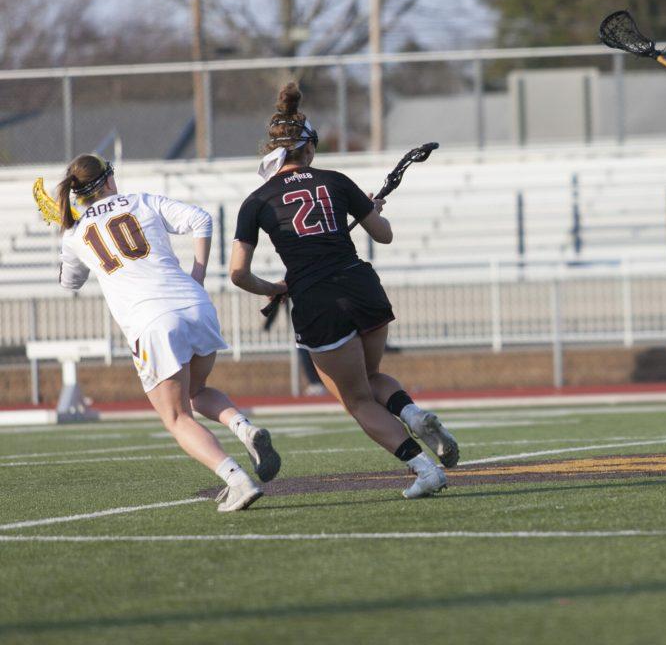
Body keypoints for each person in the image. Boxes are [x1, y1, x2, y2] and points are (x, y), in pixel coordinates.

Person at [229, 82, 457, 499]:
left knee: (356, 400)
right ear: (309, 147)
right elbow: (383, 235)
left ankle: (424, 469)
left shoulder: (256, 201)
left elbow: (238, 273)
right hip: (363, 285)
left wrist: (277, 286)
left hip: (318, 301)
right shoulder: (336, 180)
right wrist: (369, 210)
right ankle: (413, 413)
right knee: (370, 379)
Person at [57, 155, 278, 512]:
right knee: (197, 391)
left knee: (176, 418)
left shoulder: (74, 233)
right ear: (108, 179)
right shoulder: (142, 200)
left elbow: (70, 283)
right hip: (195, 305)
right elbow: (200, 220)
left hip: (152, 322)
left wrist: (67, 238)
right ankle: (244, 429)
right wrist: (199, 277)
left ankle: (237, 480)